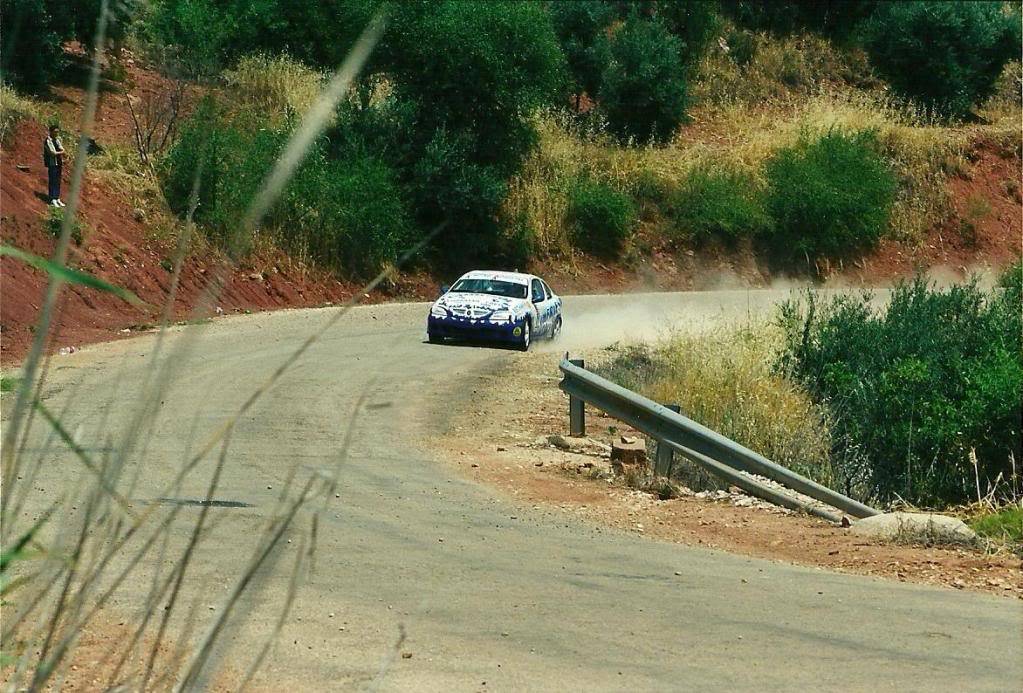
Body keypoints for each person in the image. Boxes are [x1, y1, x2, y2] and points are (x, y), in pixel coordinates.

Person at [43, 125, 66, 207]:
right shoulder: (47, 141)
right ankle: (52, 198)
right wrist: (60, 152)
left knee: (58, 180)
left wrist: (59, 152)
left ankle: (57, 197)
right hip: (52, 163)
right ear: (51, 131)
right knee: (52, 180)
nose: (57, 133)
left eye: (57, 132)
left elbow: (62, 149)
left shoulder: (57, 140)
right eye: (55, 132)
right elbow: (52, 153)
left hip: (59, 163)